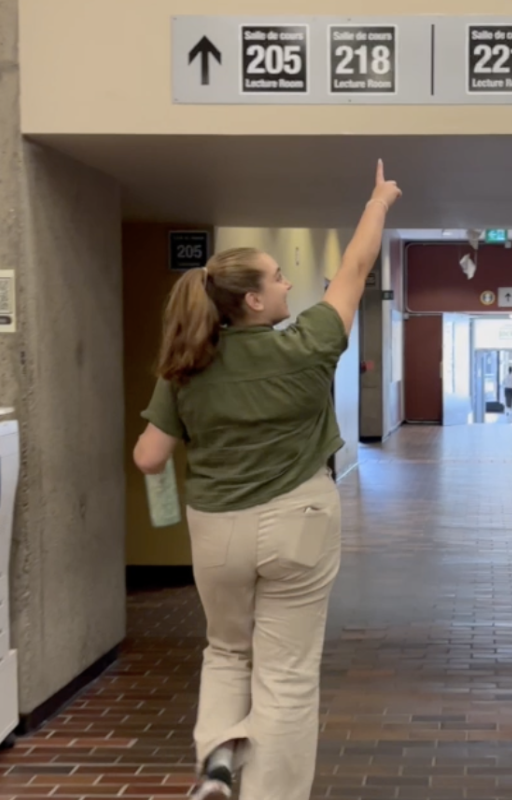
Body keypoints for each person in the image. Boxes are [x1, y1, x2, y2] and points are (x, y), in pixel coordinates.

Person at [132, 161, 402, 800]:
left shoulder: (186, 367)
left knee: (226, 650)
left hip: (216, 528)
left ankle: (219, 762)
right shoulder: (306, 344)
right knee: (286, 674)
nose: (288, 283)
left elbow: (148, 456)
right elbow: (357, 270)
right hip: (299, 524)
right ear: (254, 300)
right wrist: (379, 200)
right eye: (279, 277)